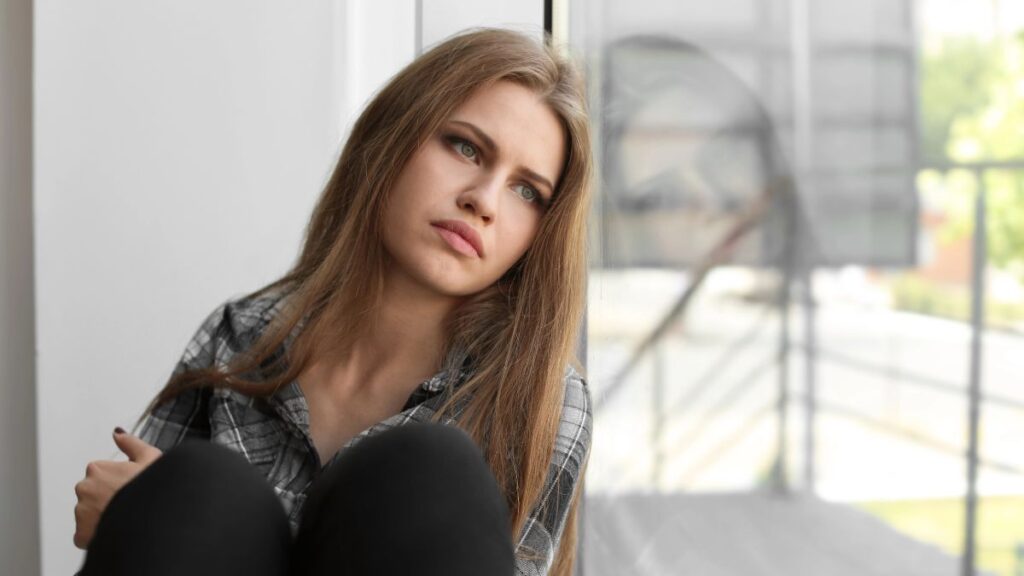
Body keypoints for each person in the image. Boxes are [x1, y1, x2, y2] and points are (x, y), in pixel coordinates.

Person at [71, 27, 593, 576]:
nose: (483, 200)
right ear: (390, 139)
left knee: (429, 471)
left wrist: (150, 503)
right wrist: (155, 513)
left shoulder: (541, 397)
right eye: (466, 147)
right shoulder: (243, 336)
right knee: (205, 486)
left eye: (526, 190)